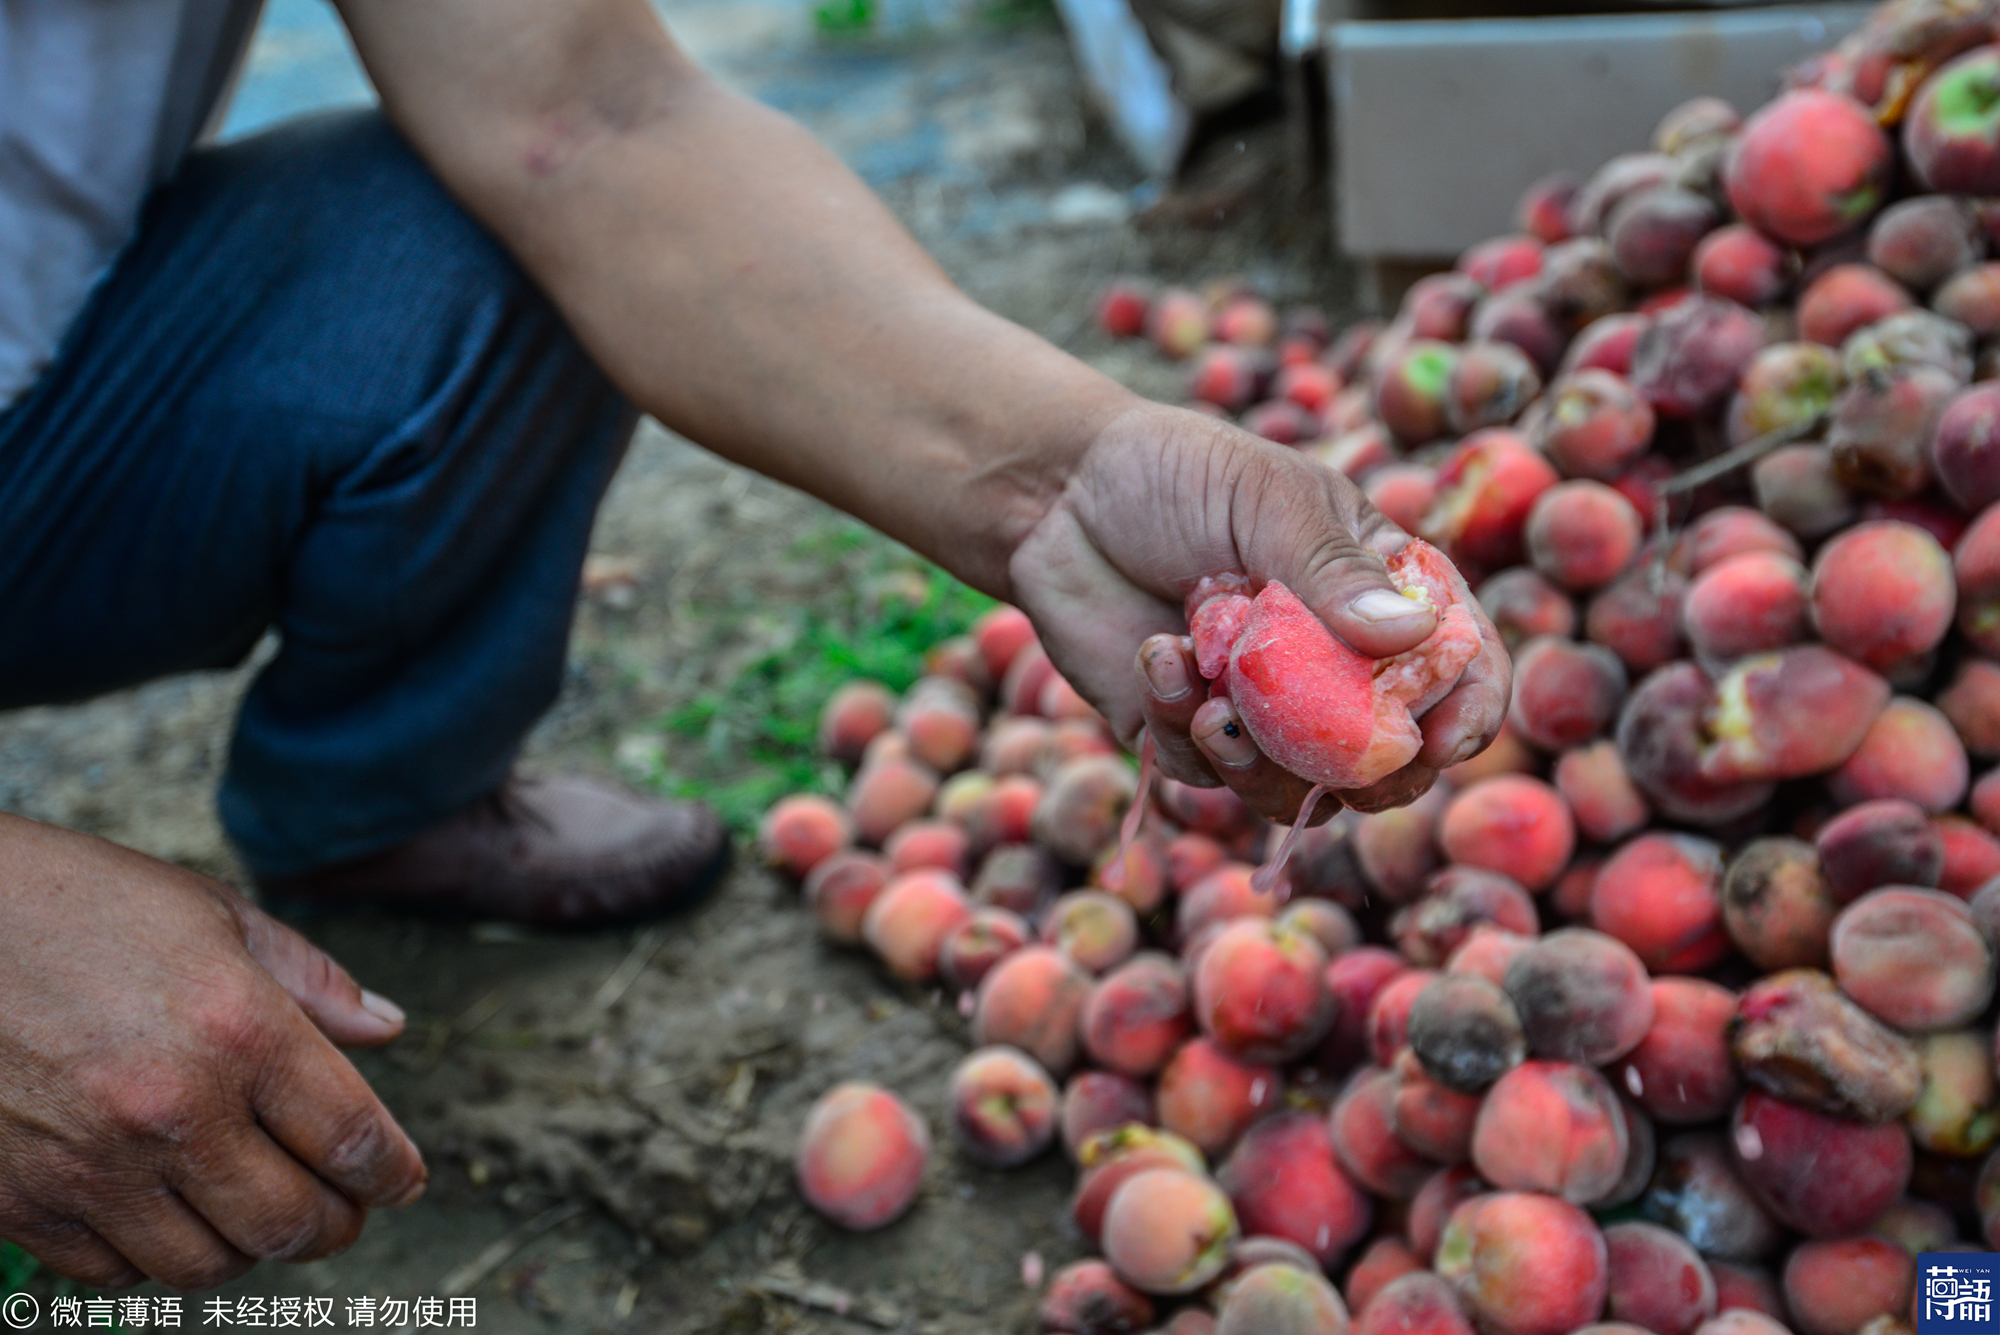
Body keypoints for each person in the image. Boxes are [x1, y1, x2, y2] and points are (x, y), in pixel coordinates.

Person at [0, 0, 1509, 1293]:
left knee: (478, 233)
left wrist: (1064, 473)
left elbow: (587, 118)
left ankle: (371, 814)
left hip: (45, 403)